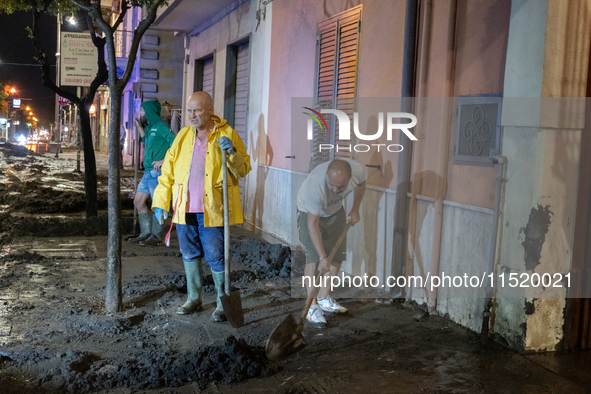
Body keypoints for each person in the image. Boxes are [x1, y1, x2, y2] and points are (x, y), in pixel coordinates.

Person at [151, 92, 251, 321]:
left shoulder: (227, 134)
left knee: (216, 256)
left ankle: (220, 301)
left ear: (210, 109)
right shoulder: (184, 136)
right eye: (189, 111)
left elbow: (243, 169)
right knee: (189, 253)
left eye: (196, 110)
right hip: (184, 208)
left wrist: (232, 154)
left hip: (212, 209)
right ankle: (193, 298)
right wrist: (160, 201)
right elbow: (168, 171)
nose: (192, 115)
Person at [297, 158, 366, 328]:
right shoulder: (315, 186)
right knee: (313, 259)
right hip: (309, 212)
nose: (336, 190)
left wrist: (355, 208)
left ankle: (323, 298)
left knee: (337, 255)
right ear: (327, 175)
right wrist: (321, 256)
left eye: (341, 187)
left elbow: (362, 184)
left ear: (350, 177)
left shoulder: (358, 172)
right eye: (332, 185)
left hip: (335, 211)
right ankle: (312, 306)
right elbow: (312, 224)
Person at [128, 100, 176, 246]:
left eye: (142, 110)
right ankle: (145, 233)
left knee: (159, 205)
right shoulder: (150, 128)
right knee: (138, 201)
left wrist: (164, 160)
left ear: (149, 111)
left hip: (158, 173)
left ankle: (156, 236)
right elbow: (147, 141)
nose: (140, 113)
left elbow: (175, 143)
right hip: (148, 172)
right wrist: (140, 128)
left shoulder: (162, 127)